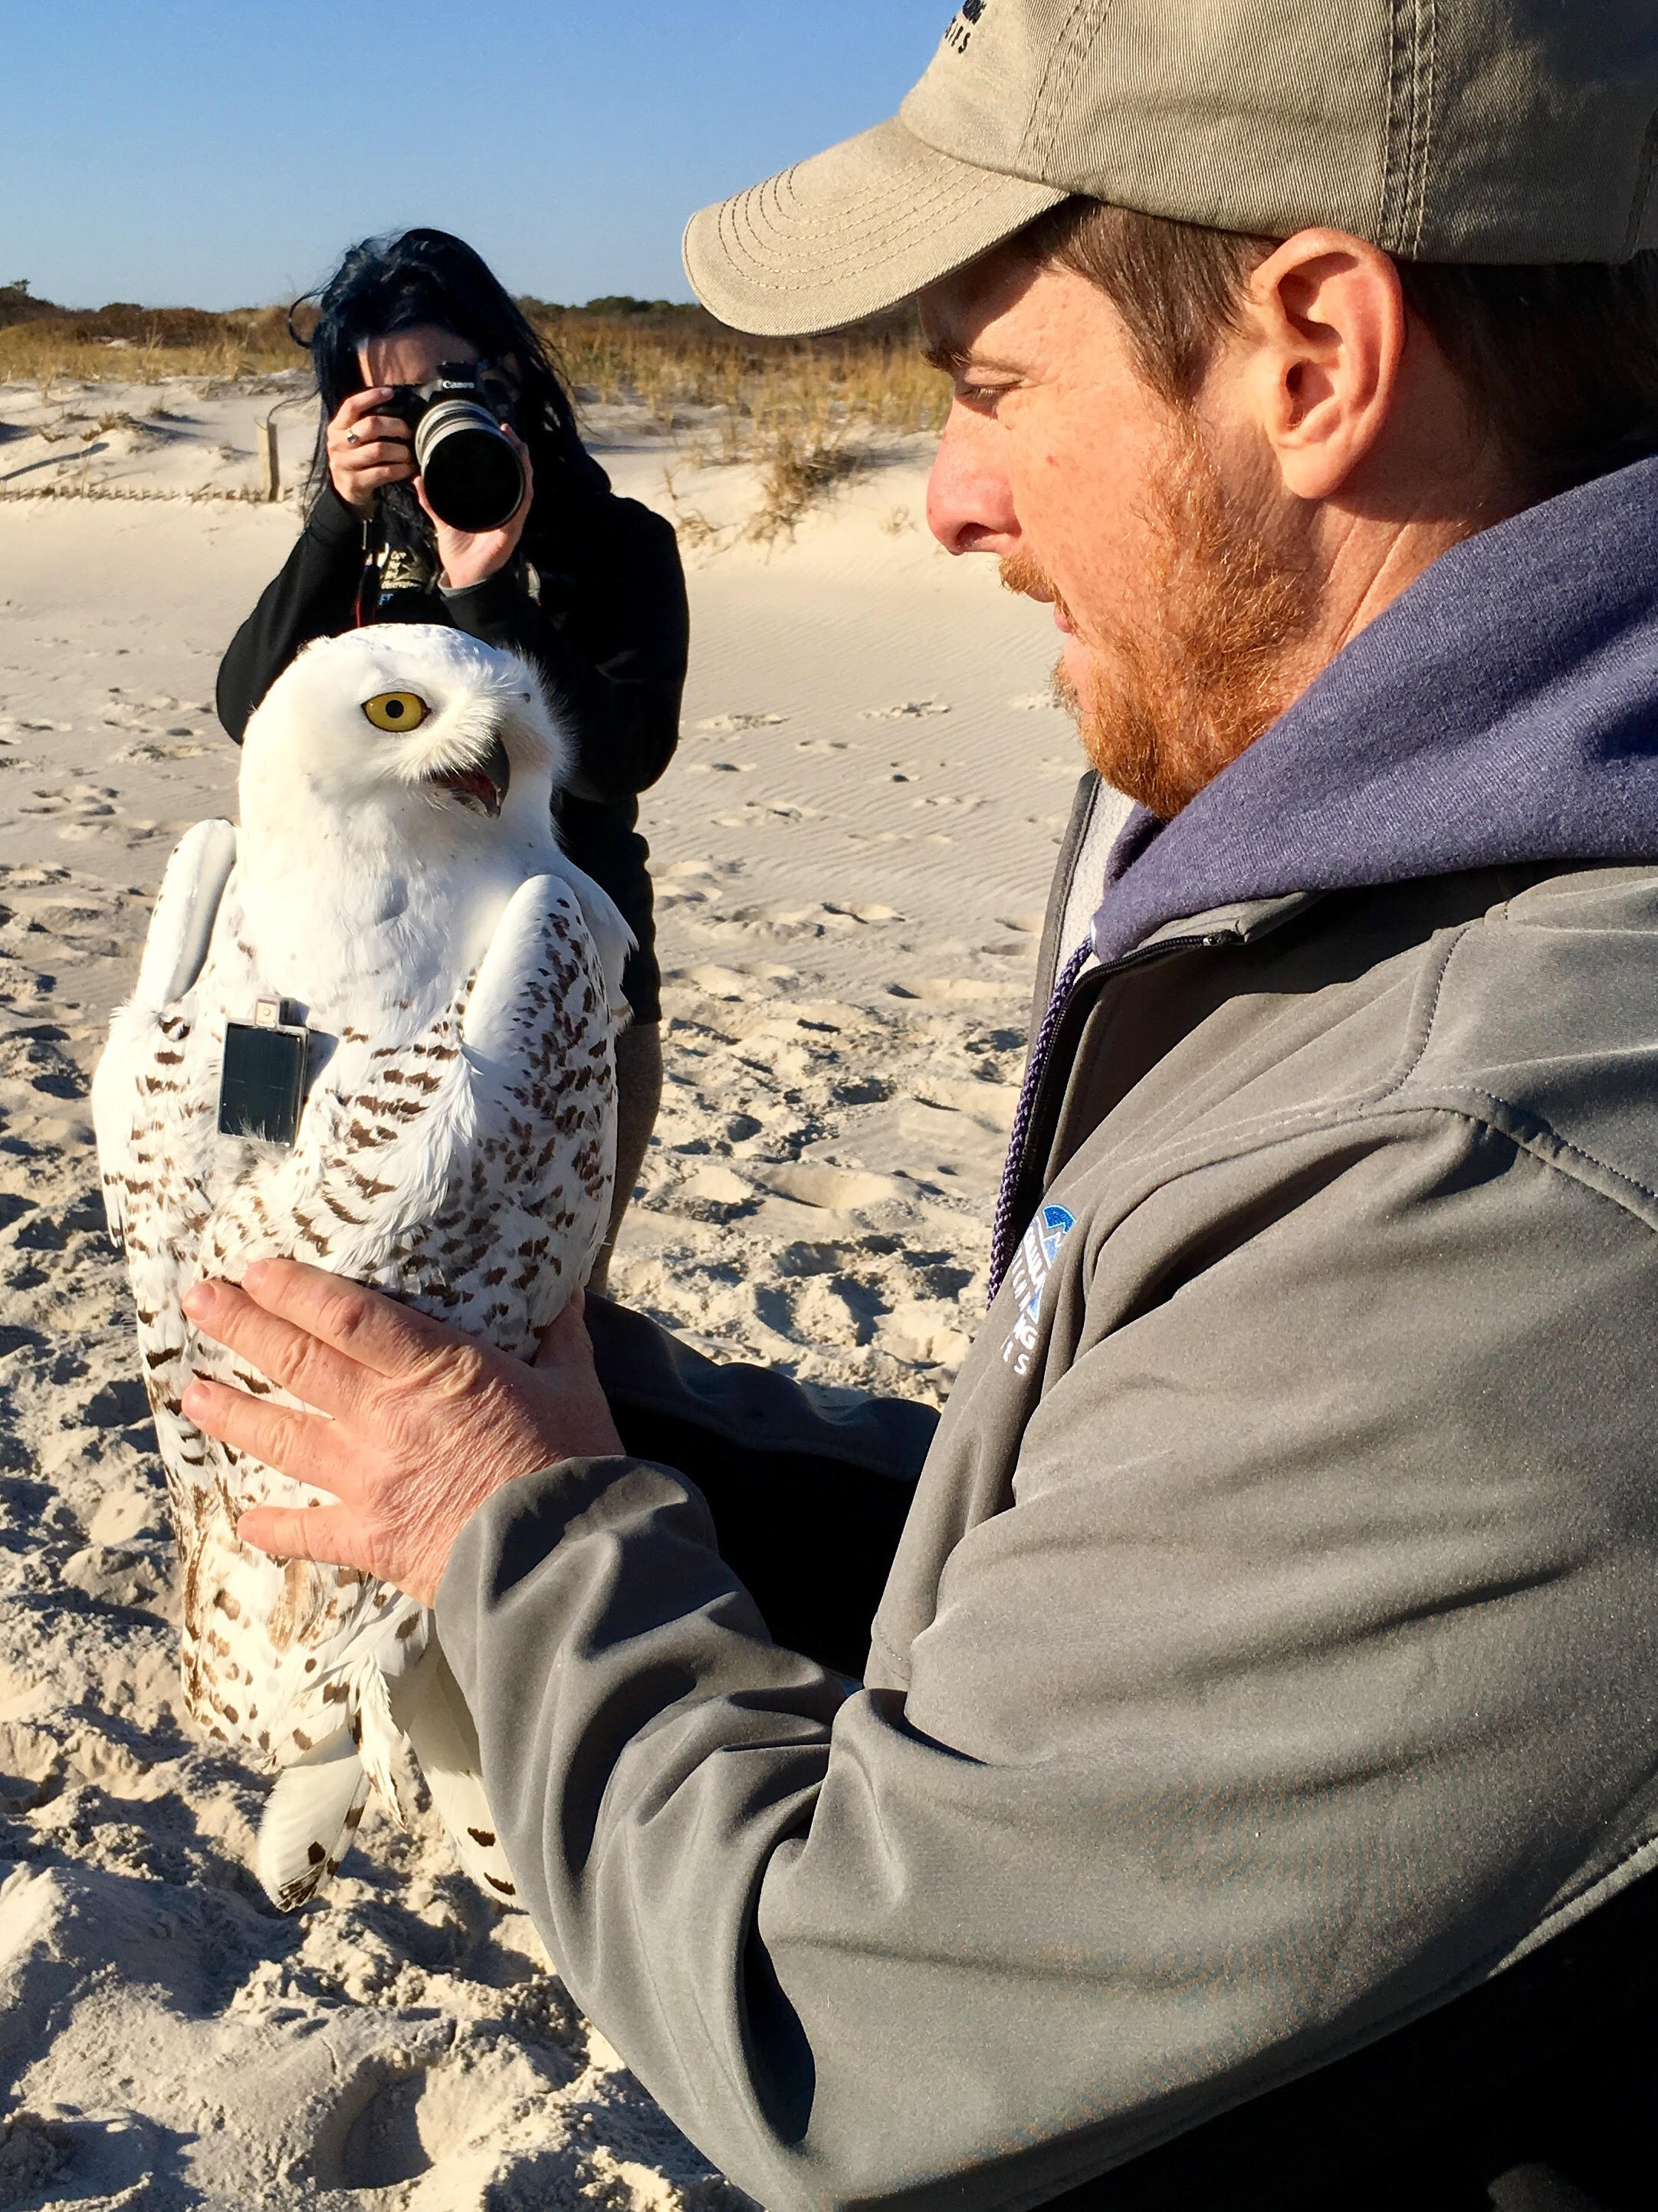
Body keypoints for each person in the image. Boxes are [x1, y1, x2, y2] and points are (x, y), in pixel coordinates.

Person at [179, 6, 1658, 2207]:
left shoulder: (1493, 1135)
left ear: (1318, 358)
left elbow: (846, 2031)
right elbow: (1125, 1519)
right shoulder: (1368, 890)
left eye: (985, 382)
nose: (950, 492)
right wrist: (632, 1433)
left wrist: (518, 1522)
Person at [215, 228, 688, 1290]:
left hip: (564, 1006)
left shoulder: (619, 544)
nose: (437, 416)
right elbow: (250, 709)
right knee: (276, 1272)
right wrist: (335, 523)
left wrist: (485, 588)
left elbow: (616, 763)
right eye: (396, 402)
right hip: (324, 988)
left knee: (538, 1311)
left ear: (512, 371)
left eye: (457, 382)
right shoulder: (361, 541)